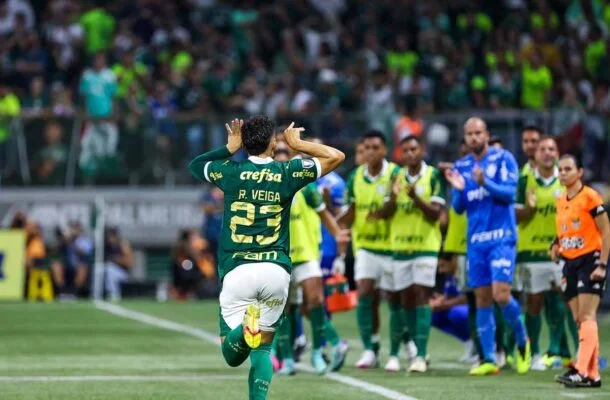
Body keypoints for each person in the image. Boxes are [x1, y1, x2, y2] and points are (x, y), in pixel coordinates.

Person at [188, 117, 344, 400]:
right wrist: (299, 144)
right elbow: (336, 156)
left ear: (245, 143)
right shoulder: (287, 171)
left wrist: (228, 148)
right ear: (273, 143)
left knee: (232, 354)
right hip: (275, 272)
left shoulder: (230, 171)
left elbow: (195, 165)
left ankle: (245, 329)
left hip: (238, 270)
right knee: (263, 349)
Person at [445, 117, 531, 376]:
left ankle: (522, 340)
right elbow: (459, 208)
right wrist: (458, 190)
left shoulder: (504, 159)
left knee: (501, 295)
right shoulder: (462, 166)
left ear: (487, 134)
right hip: (476, 242)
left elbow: (509, 195)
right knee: (481, 298)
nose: (473, 137)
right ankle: (489, 359)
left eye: (478, 133)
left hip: (502, 237)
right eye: (469, 134)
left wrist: (485, 182)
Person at [273, 139, 349, 376]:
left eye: (285, 153)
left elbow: (324, 213)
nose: (281, 158)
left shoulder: (305, 187)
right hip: (279, 257)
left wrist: (338, 236)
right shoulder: (267, 188)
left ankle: (317, 353)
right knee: (284, 308)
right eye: (277, 154)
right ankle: (287, 360)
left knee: (315, 301)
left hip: (306, 254)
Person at [371, 135, 445, 372]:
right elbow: (384, 214)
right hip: (400, 247)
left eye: (414, 149)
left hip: (426, 246)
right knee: (405, 300)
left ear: (421, 150)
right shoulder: (396, 177)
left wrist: (415, 198)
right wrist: (393, 198)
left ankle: (420, 355)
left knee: (422, 295)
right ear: (401, 154)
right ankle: (415, 349)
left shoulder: (433, 175)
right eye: (406, 150)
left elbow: (435, 214)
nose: (410, 154)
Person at [338, 130, 401, 369]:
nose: (371, 152)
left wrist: (386, 207)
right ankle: (370, 349)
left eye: (376, 147)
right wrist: (339, 220)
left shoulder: (395, 174)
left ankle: (395, 352)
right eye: (367, 148)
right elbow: (349, 214)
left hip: (392, 246)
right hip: (364, 246)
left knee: (394, 299)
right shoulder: (355, 177)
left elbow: (395, 209)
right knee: (365, 293)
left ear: (384, 150)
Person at [552, 154, 609, 389]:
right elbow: (564, 230)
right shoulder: (560, 200)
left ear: (580, 172)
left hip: (589, 260)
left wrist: (602, 265)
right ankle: (593, 374)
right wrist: (555, 244)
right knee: (579, 319)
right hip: (570, 262)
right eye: (560, 169)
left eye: (568, 169)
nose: (563, 173)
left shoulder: (590, 197)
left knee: (586, 315)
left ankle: (580, 370)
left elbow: (606, 231)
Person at [515, 136, 567, 371]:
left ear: (557, 153)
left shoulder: (565, 180)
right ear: (535, 155)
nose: (547, 153)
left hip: (561, 252)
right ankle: (534, 353)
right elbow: (515, 216)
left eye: (551, 149)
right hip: (531, 252)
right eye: (542, 149)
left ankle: (562, 352)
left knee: (566, 303)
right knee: (534, 304)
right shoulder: (524, 181)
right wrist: (529, 208)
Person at [104, 227, 133, 301]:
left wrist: (116, 260)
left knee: (110, 269)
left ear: (116, 236)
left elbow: (128, 263)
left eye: (111, 236)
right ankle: (96, 294)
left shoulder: (123, 245)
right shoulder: (106, 246)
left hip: (123, 273)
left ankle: (114, 294)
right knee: (99, 269)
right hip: (109, 270)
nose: (109, 239)